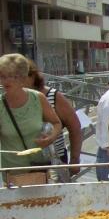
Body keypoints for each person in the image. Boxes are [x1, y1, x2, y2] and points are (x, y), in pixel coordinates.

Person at [0, 54, 62, 184]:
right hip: (11, 173)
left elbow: (56, 123)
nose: (6, 81)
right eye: (2, 76)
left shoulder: (38, 98)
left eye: (12, 76)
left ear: (23, 78)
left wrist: (50, 138)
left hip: (39, 169)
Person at [26, 61, 82, 177]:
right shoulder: (9, 100)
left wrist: (75, 160)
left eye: (20, 76)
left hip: (54, 161)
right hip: (22, 163)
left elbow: (75, 128)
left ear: (32, 77)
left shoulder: (53, 96)